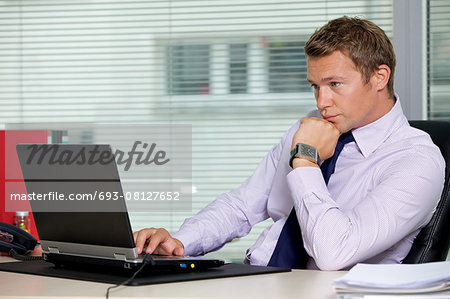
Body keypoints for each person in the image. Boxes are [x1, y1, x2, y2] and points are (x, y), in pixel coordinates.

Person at [133, 16, 445, 270]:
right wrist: (179, 242)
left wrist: (305, 160)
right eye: (315, 86)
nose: (323, 102)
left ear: (379, 77)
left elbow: (334, 253)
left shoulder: (416, 161)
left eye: (335, 84)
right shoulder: (311, 125)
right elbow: (242, 206)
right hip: (257, 276)